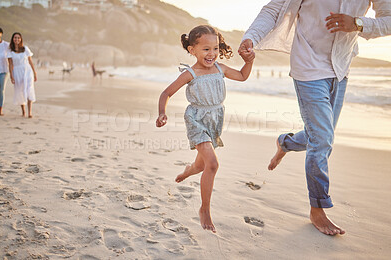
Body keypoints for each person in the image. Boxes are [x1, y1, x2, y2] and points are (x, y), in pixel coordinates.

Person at [238, 0, 391, 236]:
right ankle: (317, 208)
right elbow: (274, 8)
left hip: (341, 67)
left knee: (321, 137)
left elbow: (389, 19)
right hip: (308, 65)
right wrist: (251, 37)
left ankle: (285, 142)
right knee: (322, 140)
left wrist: (358, 24)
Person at [156, 25, 254, 233]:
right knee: (212, 164)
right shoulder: (191, 73)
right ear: (193, 50)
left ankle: (188, 170)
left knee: (201, 166)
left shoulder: (221, 69)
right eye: (206, 49)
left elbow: (243, 76)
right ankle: (205, 209)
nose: (212, 54)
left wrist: (249, 61)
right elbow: (166, 93)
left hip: (215, 120)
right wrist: (161, 113)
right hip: (196, 119)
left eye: (215, 49)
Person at [7, 32, 37, 118]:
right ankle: (23, 111)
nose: (17, 39)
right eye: (15, 38)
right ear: (13, 39)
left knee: (29, 90)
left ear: (21, 39)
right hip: (17, 72)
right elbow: (10, 64)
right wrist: (11, 76)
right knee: (20, 90)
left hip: (27, 71)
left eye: (18, 38)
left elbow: (30, 61)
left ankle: (30, 112)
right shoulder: (10, 51)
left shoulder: (25, 48)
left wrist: (34, 72)